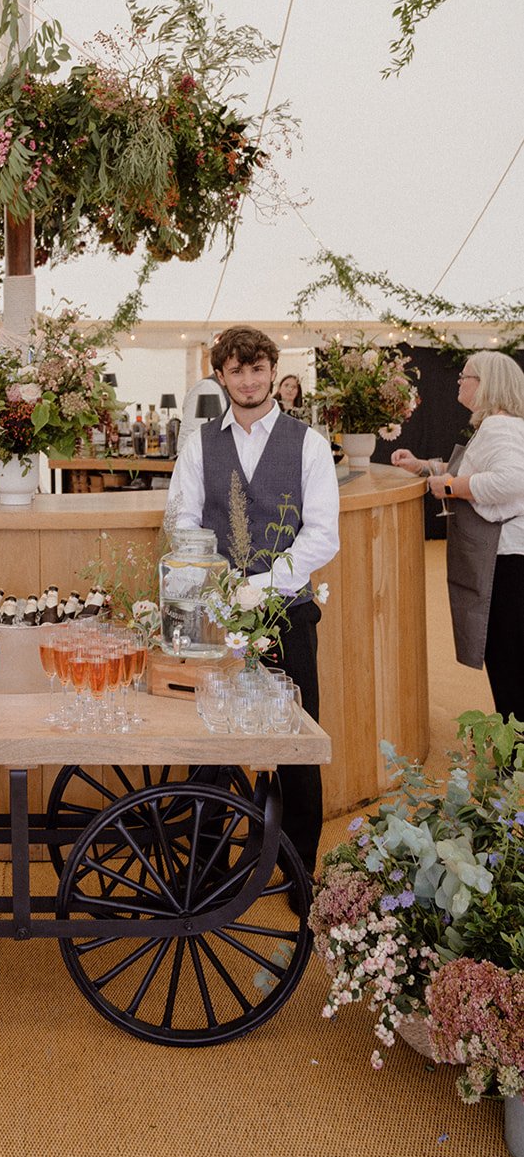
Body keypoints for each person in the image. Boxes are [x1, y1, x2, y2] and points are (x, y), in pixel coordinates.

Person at [167, 325, 340, 881]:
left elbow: (322, 535)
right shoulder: (199, 444)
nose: (248, 380)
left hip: (287, 611)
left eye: (258, 368)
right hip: (214, 618)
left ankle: (297, 869)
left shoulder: (308, 442)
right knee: (209, 740)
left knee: (296, 741)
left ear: (273, 371)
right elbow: (181, 521)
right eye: (236, 370)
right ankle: (208, 867)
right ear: (220, 376)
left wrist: (260, 586)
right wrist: (220, 585)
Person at [391, 351, 524, 720]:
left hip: (507, 558)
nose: (459, 382)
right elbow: (474, 468)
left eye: (465, 377)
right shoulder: (503, 425)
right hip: (508, 556)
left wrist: (448, 486)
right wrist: (424, 467)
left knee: (507, 656)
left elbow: (512, 480)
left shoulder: (499, 427)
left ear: (486, 385)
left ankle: (515, 754)